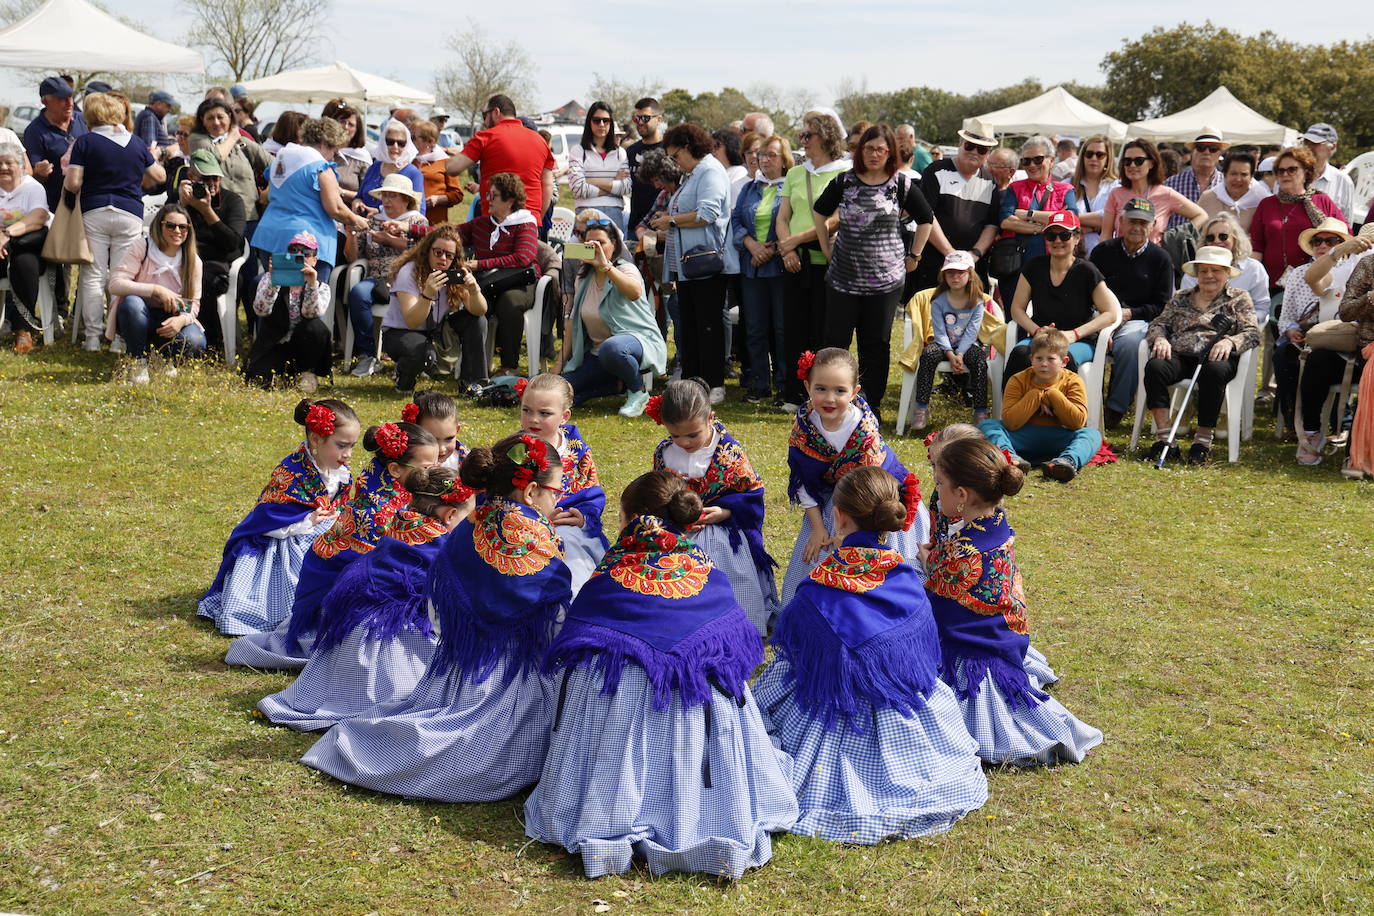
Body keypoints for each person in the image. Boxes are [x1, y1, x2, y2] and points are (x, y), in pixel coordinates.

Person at [524, 469, 796, 879]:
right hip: (694, 711)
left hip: (617, 710)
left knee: (604, 671)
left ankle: (611, 803)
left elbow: (578, 633)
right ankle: (703, 807)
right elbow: (733, 640)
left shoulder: (609, 575)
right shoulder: (709, 573)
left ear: (632, 520)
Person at [300, 433, 573, 802]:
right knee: (483, 745)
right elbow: (553, 613)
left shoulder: (473, 519)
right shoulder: (532, 534)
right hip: (512, 675)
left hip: (459, 666)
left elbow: (440, 593)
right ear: (529, 493)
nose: (557, 498)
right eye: (555, 491)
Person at [755, 465, 986, 842]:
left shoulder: (813, 594)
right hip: (901, 709)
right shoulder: (910, 580)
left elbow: (795, 655)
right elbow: (924, 656)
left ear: (839, 515)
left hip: (833, 711)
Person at [926, 437, 1102, 765]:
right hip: (1005, 639)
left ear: (961, 495)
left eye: (939, 483)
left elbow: (935, 610)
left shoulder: (964, 552)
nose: (935, 492)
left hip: (971, 657)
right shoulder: (997, 523)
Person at [256, 466, 469, 732]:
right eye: (467, 517)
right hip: (390, 633)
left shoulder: (403, 519)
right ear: (450, 514)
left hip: (353, 624)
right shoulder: (439, 543)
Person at [225, 420, 440, 670]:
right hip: (334, 593)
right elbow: (381, 569)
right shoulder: (377, 511)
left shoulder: (390, 483)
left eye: (437, 464)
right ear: (394, 469)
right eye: (427, 467)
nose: (434, 472)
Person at [783, 348, 930, 605]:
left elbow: (874, 490)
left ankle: (880, 604)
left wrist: (847, 533)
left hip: (877, 503)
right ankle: (820, 607)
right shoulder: (804, 428)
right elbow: (804, 481)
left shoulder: (864, 433)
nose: (829, 398)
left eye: (840, 391)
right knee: (819, 552)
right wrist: (819, 528)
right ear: (807, 386)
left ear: (854, 391)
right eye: (821, 389)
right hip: (831, 505)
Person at [198, 399, 356, 635]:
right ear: (315, 439)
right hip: (284, 543)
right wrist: (308, 520)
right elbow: (268, 517)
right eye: (342, 445)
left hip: (323, 532)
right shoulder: (290, 472)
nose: (349, 454)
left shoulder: (338, 471)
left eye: (352, 446)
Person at [812, 123, 933, 423]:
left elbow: (926, 218)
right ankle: (829, 402)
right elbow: (819, 210)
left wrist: (915, 255)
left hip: (885, 281)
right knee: (835, 343)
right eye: (868, 148)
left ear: (890, 152)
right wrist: (825, 245)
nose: (874, 154)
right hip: (843, 278)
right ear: (859, 151)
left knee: (875, 345)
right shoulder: (845, 181)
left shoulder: (900, 184)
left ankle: (870, 406)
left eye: (881, 149)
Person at [647, 379, 780, 636]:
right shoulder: (664, 452)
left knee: (725, 572)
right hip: (677, 531)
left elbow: (750, 494)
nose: (684, 442)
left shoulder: (727, 451)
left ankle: (731, 623)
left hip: (720, 531)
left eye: (692, 434)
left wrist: (726, 511)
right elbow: (658, 492)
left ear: (710, 418)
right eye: (675, 435)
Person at [64, 92, 165, 350]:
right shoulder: (136, 143)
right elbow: (159, 176)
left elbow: (73, 183)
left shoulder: (85, 142)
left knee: (93, 274)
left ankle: (93, 338)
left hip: (95, 210)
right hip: (129, 212)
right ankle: (119, 338)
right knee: (123, 276)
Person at [1143, 246, 1260, 465]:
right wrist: (1159, 339)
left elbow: (1252, 332)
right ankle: (1166, 440)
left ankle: (1202, 443)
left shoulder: (1238, 299)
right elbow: (1158, 323)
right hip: (1180, 354)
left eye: (1215, 270)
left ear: (1227, 274)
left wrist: (1230, 341)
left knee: (1213, 372)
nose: (1209, 276)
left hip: (1216, 357)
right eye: (1204, 271)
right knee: (1155, 367)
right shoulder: (1181, 297)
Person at [648, 123, 736, 404]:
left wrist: (671, 220)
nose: (675, 163)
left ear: (688, 147)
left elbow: (708, 213)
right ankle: (695, 381)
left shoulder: (710, 171)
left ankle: (714, 384)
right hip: (687, 265)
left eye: (675, 156)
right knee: (692, 325)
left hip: (705, 262)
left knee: (708, 325)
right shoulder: (693, 173)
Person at [558, 212, 666, 416]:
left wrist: (605, 267)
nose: (594, 247)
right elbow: (572, 323)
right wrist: (558, 365)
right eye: (589, 242)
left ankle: (638, 391)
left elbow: (634, 292)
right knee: (563, 393)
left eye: (600, 242)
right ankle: (615, 386)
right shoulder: (583, 278)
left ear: (614, 245)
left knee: (612, 348)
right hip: (598, 354)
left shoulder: (625, 269)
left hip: (634, 344)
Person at [776, 110, 848, 411]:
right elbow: (782, 218)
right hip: (795, 261)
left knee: (823, 330)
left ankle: (820, 393)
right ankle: (794, 392)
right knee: (794, 327)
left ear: (827, 137)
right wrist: (788, 249)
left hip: (827, 260)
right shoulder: (795, 173)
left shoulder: (843, 172)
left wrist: (795, 240)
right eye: (801, 135)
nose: (802, 141)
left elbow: (835, 219)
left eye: (809, 135)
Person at [514, 373, 609, 594]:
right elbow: (500, 495)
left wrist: (582, 517)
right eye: (526, 410)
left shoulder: (577, 450)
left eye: (545, 413)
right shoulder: (515, 449)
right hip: (523, 527)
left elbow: (590, 493)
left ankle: (577, 605)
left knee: (571, 549)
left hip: (568, 527)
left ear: (564, 416)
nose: (534, 419)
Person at [1090, 197, 1177, 427]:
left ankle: (1116, 407)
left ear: (1153, 225)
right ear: (1121, 221)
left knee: (1130, 344)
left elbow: (1162, 305)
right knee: (1089, 339)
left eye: (1143, 223)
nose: (1137, 227)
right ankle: (1087, 402)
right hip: (1100, 314)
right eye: (1132, 221)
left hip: (1137, 318)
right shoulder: (1102, 252)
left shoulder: (1161, 259)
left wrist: (1126, 314)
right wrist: (1104, 322)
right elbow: (1087, 291)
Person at [1288, 226, 1374, 460]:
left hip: (1367, 348)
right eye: (1319, 241)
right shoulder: (1340, 267)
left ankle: (1359, 447)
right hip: (1342, 346)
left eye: (1331, 240)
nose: (1323, 244)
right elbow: (1311, 278)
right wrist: (1339, 251)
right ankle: (1312, 432)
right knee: (1316, 360)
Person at [1003, 210, 1120, 380]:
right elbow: (1017, 309)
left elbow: (1110, 313)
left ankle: (1061, 406)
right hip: (1042, 338)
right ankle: (1014, 407)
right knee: (1019, 355)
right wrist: (1036, 331)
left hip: (1078, 341)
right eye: (1051, 235)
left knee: (1062, 361)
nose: (1057, 241)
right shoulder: (1033, 267)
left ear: (1077, 238)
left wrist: (1074, 334)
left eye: (1065, 235)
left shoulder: (1087, 271)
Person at [251, 117, 368, 279]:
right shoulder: (320, 166)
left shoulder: (282, 158)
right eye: (334, 151)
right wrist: (357, 221)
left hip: (270, 237)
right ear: (324, 143)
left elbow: (267, 195)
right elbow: (335, 208)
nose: (333, 157)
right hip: (303, 243)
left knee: (276, 296)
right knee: (307, 300)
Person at [978, 329, 1101, 481]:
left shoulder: (1073, 381)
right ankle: (1011, 460)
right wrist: (1036, 396)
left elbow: (1077, 422)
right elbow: (1010, 422)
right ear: (1031, 359)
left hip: (1059, 438)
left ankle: (1065, 462)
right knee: (988, 425)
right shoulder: (1018, 380)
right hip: (1022, 438)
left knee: (1092, 434)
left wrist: (1052, 395)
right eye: (1039, 358)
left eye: (1051, 359)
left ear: (1064, 362)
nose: (1043, 364)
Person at [383, 224, 488, 392]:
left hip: (435, 330)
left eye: (449, 255)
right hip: (401, 332)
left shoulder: (454, 273)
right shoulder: (409, 272)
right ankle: (404, 379)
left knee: (477, 321)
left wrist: (474, 290)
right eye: (438, 252)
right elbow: (412, 321)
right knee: (421, 354)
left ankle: (472, 383)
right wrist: (427, 294)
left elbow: (480, 310)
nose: (443, 259)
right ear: (427, 250)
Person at [456, 171, 541, 377]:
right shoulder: (483, 224)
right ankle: (473, 367)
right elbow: (449, 233)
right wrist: (408, 228)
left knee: (509, 303)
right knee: (473, 304)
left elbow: (523, 257)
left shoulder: (525, 223)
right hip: (490, 282)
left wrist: (481, 264)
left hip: (520, 282)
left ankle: (509, 367)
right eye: (487, 194)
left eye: (493, 195)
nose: (487, 199)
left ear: (510, 200)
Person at [343, 173, 429, 377]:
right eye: (385, 195)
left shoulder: (418, 221)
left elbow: (424, 252)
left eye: (393, 196)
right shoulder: (373, 220)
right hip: (376, 277)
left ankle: (411, 357)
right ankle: (367, 354)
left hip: (409, 280)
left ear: (406, 200)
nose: (387, 201)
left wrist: (391, 241)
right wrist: (351, 234)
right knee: (358, 293)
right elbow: (354, 257)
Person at [110, 202, 203, 382]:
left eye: (183, 227)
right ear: (159, 225)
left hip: (170, 317)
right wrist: (156, 290)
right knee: (132, 304)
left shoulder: (193, 260)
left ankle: (162, 358)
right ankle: (138, 360)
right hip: (139, 314)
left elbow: (194, 304)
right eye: (171, 225)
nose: (177, 231)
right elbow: (115, 284)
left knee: (196, 340)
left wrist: (181, 320)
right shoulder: (142, 247)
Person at [906, 251, 997, 428]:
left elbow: (972, 331)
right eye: (950, 273)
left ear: (970, 274)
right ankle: (922, 407)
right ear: (944, 275)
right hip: (942, 344)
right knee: (928, 355)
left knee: (979, 361)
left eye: (960, 273)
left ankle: (980, 411)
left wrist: (960, 353)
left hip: (967, 345)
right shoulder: (938, 300)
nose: (955, 277)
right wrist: (950, 353)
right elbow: (939, 330)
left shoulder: (977, 301)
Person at [732, 134, 791, 402]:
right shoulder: (749, 188)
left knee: (781, 328)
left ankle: (784, 384)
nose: (764, 160)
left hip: (779, 267)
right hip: (751, 267)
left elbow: (794, 220)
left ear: (784, 159)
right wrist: (750, 245)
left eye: (771, 155)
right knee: (754, 327)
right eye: (761, 155)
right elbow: (735, 219)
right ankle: (758, 383)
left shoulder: (789, 186)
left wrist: (770, 249)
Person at [912, 117, 1000, 293]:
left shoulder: (990, 181)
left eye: (981, 149)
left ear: (988, 153)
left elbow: (992, 224)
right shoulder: (936, 171)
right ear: (961, 144)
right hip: (935, 263)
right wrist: (951, 253)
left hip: (972, 267)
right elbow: (927, 215)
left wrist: (974, 255)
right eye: (969, 145)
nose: (974, 152)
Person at [1250, 146, 1348, 300]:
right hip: (1271, 286)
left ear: (1306, 172)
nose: (1285, 174)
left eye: (1292, 169)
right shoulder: (1266, 204)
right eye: (1280, 171)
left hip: (1315, 285)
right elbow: (1257, 247)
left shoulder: (1321, 201)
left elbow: (1345, 238)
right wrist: (1251, 281)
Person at [244, 231, 333, 391]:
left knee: (316, 328)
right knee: (256, 382)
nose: (299, 256)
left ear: (314, 260)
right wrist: (274, 279)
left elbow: (311, 314)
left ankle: (307, 372)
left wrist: (311, 284)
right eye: (293, 251)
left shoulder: (322, 287)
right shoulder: (268, 278)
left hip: (305, 344)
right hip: (275, 342)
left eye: (306, 253)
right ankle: (286, 375)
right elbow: (261, 311)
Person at [177, 148, 246, 354]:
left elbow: (233, 243)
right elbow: (167, 234)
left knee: (205, 279)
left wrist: (206, 211)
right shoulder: (184, 201)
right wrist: (181, 203)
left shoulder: (232, 201)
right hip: (186, 262)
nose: (212, 185)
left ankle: (211, 342)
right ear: (191, 178)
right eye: (205, 179)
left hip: (221, 265)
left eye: (216, 178)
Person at [446, 94, 555, 220]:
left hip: (495, 221)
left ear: (496, 112)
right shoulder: (539, 140)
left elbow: (452, 168)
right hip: (529, 221)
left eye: (484, 115)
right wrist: (537, 218)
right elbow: (547, 185)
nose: (484, 122)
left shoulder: (486, 137)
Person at [997, 135, 1078, 272]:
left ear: (1051, 161)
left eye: (1038, 159)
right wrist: (1047, 227)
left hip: (1054, 267)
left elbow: (1071, 219)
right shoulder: (1015, 188)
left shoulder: (1065, 190)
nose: (1032, 165)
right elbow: (1006, 222)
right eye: (1026, 161)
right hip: (1016, 266)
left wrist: (1028, 214)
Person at [1102, 138, 1207, 243]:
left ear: (1151, 163)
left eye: (1139, 161)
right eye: (1127, 161)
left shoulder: (1166, 194)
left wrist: (1176, 237)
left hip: (1154, 257)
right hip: (1120, 257)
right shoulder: (1116, 194)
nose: (1132, 165)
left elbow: (1201, 215)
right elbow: (1105, 235)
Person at [0, 142, 51, 354]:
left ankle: (23, 329)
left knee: (24, 264)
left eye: (9, 163)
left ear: (21, 166)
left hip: (26, 246)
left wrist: (7, 234)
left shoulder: (32, 187)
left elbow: (38, 217)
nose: (3, 167)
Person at [1180, 213, 1271, 327]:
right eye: (1210, 237)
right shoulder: (1194, 269)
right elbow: (1183, 306)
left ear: (1235, 239)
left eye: (1223, 236)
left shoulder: (1254, 269)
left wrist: (1239, 323)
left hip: (1240, 331)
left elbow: (1262, 308)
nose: (1217, 241)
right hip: (1197, 329)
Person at [188, 98, 269, 226]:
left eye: (220, 117)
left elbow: (276, 166)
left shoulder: (243, 143)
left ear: (230, 117)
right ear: (202, 120)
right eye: (210, 118)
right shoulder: (196, 139)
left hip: (249, 216)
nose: (216, 122)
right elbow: (212, 158)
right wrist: (232, 137)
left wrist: (268, 191)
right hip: (216, 217)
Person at [23, 76, 87, 213]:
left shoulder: (84, 120)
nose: (70, 103)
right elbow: (33, 173)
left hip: (87, 201)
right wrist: (40, 172)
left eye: (71, 97)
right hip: (57, 205)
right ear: (45, 101)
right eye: (61, 99)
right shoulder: (35, 131)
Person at [568, 101, 629, 226]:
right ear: (589, 122)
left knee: (612, 246)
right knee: (584, 246)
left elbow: (626, 187)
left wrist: (593, 181)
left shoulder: (620, 153)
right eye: (596, 120)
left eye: (605, 120)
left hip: (614, 213)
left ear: (610, 123)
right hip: (585, 212)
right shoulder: (578, 151)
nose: (601, 124)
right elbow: (578, 189)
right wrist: (613, 186)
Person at [354, 118, 425, 216]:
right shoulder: (374, 167)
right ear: (383, 142)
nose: (395, 146)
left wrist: (381, 213)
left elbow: (418, 211)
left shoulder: (413, 173)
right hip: (364, 226)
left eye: (401, 143)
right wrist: (357, 203)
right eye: (390, 141)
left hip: (394, 229)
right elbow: (359, 196)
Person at [1163, 129, 1227, 228]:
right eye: (1201, 147)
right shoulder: (1171, 184)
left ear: (1219, 154)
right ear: (1192, 152)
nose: (1206, 152)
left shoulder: (1228, 184)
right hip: (1179, 243)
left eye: (1213, 148)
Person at [1197, 151, 1268, 233]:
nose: (1238, 179)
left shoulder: (1262, 201)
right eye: (1233, 174)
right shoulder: (1208, 198)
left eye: (1244, 174)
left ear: (1251, 176)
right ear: (1225, 174)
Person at [1071, 134, 1119, 255]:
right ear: (1082, 157)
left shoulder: (1116, 187)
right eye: (1089, 154)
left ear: (1108, 158)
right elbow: (1058, 219)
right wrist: (1097, 224)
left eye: (1100, 155)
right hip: (1072, 257)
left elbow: (1112, 219)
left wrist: (1072, 219)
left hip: (1106, 256)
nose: (1094, 158)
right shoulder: (1067, 185)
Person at [625, 97, 666, 237]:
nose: (640, 122)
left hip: (661, 227)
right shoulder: (630, 151)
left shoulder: (669, 149)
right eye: (636, 119)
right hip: (634, 226)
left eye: (645, 118)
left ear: (659, 119)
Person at [321, 99, 371, 209]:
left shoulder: (362, 159)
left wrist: (341, 192)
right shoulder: (324, 152)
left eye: (351, 124)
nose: (346, 127)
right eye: (342, 122)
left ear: (357, 130)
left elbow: (367, 195)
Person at [410, 119, 461, 225]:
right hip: (410, 221)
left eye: (414, 137)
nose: (410, 141)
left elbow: (457, 194)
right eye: (410, 137)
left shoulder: (445, 162)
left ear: (430, 141)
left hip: (435, 221)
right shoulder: (409, 161)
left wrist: (439, 199)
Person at [1301, 123, 1355, 221]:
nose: (1308, 147)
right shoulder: (1288, 174)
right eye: (1306, 142)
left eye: (1314, 143)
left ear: (1332, 147)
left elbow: (1346, 224)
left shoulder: (1343, 181)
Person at [134, 90, 177, 158]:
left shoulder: (149, 116)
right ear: (158, 104)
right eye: (168, 106)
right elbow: (150, 148)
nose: (169, 110)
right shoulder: (149, 117)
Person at [712, 126, 748, 204]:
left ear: (730, 146)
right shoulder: (713, 173)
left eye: (717, 146)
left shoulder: (739, 172)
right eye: (711, 147)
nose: (713, 151)